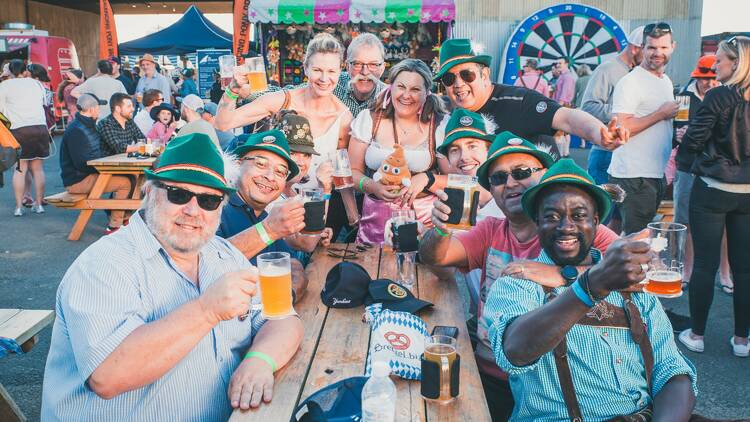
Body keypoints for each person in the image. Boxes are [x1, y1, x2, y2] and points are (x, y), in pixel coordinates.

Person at [42, 133, 303, 420]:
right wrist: (206, 311)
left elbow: (282, 319)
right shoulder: (104, 264)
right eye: (178, 195)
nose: (193, 210)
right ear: (150, 192)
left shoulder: (224, 256)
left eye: (208, 201)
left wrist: (259, 360)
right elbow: (108, 375)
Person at [419, 132, 620, 421]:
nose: (510, 183)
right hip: (491, 374)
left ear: (544, 176)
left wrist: (562, 273)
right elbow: (437, 257)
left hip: (552, 384)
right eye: (498, 178)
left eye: (522, 172)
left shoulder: (574, 227)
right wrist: (439, 229)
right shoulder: (490, 230)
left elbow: (635, 270)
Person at [484, 158, 697, 421]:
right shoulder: (518, 282)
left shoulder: (631, 283)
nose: (566, 226)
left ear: (596, 222)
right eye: (551, 217)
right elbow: (514, 351)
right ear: (537, 223)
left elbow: (672, 371)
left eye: (579, 215)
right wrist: (591, 285)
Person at [215, 33, 353, 238]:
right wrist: (232, 91)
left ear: (340, 71)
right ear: (306, 68)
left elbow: (343, 171)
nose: (324, 79)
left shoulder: (343, 116)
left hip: (315, 208)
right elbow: (223, 123)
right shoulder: (283, 100)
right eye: (317, 70)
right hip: (272, 204)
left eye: (331, 71)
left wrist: (353, 215)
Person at [677, 35, 750, 358]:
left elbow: (694, 138)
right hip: (747, 193)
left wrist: (690, 164)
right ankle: (742, 340)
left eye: (719, 60)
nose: (715, 65)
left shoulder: (720, 96)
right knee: (745, 268)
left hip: (713, 187)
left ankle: (697, 334)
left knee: (704, 265)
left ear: (736, 63)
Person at [434, 39, 628, 158]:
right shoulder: (452, 117)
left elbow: (567, 117)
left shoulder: (518, 101)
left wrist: (599, 134)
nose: (458, 84)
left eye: (467, 75)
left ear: (485, 75)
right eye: (449, 79)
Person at [349, 58, 447, 244]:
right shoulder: (369, 119)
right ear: (390, 87)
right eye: (401, 86)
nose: (406, 95)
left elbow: (455, 179)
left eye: (415, 89)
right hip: (375, 221)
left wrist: (427, 179)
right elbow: (352, 173)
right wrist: (373, 186)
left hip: (424, 222)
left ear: (427, 93)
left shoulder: (440, 125)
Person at [216, 130, 310, 302]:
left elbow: (294, 266)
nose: (270, 177)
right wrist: (269, 230)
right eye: (260, 164)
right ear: (238, 165)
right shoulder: (214, 207)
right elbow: (203, 264)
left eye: (280, 172)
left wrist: (285, 298)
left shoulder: (265, 216)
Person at [609, 23, 680, 234]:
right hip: (634, 176)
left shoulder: (665, 80)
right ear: (642, 47)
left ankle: (601, 264)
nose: (657, 53)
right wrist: (661, 114)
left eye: (663, 47)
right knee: (637, 238)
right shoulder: (631, 82)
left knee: (617, 233)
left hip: (653, 174)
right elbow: (621, 127)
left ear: (673, 47)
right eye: (651, 47)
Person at [671, 55, 725, 289]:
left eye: (713, 78)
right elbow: (675, 128)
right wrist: (678, 135)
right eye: (705, 78)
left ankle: (725, 273)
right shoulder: (684, 97)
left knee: (725, 223)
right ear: (697, 77)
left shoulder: (728, 96)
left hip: (717, 168)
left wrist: (693, 134)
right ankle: (686, 270)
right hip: (688, 165)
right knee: (684, 219)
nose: (709, 83)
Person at [60, 94, 132, 234]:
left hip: (82, 176)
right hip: (77, 181)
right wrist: (106, 167)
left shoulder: (85, 126)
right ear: (92, 109)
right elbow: (82, 163)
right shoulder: (77, 130)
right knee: (125, 183)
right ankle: (114, 225)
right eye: (98, 108)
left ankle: (124, 217)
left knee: (130, 177)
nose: (99, 111)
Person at [582, 26, 644, 186]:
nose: (651, 58)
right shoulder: (607, 70)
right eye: (648, 50)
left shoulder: (638, 72)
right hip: (606, 154)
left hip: (630, 155)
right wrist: (625, 113)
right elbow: (589, 107)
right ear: (635, 48)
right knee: (606, 208)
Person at [0, 59, 51, 216]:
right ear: (24, 70)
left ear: (11, 71)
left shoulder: (4, 86)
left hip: (19, 129)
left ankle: (18, 207)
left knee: (20, 169)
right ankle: (39, 204)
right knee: (37, 168)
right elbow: (44, 102)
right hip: (40, 128)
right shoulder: (36, 84)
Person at [334, 32, 387, 117]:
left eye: (373, 64)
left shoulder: (389, 98)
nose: (365, 72)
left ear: (382, 68)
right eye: (357, 64)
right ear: (347, 66)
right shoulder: (332, 85)